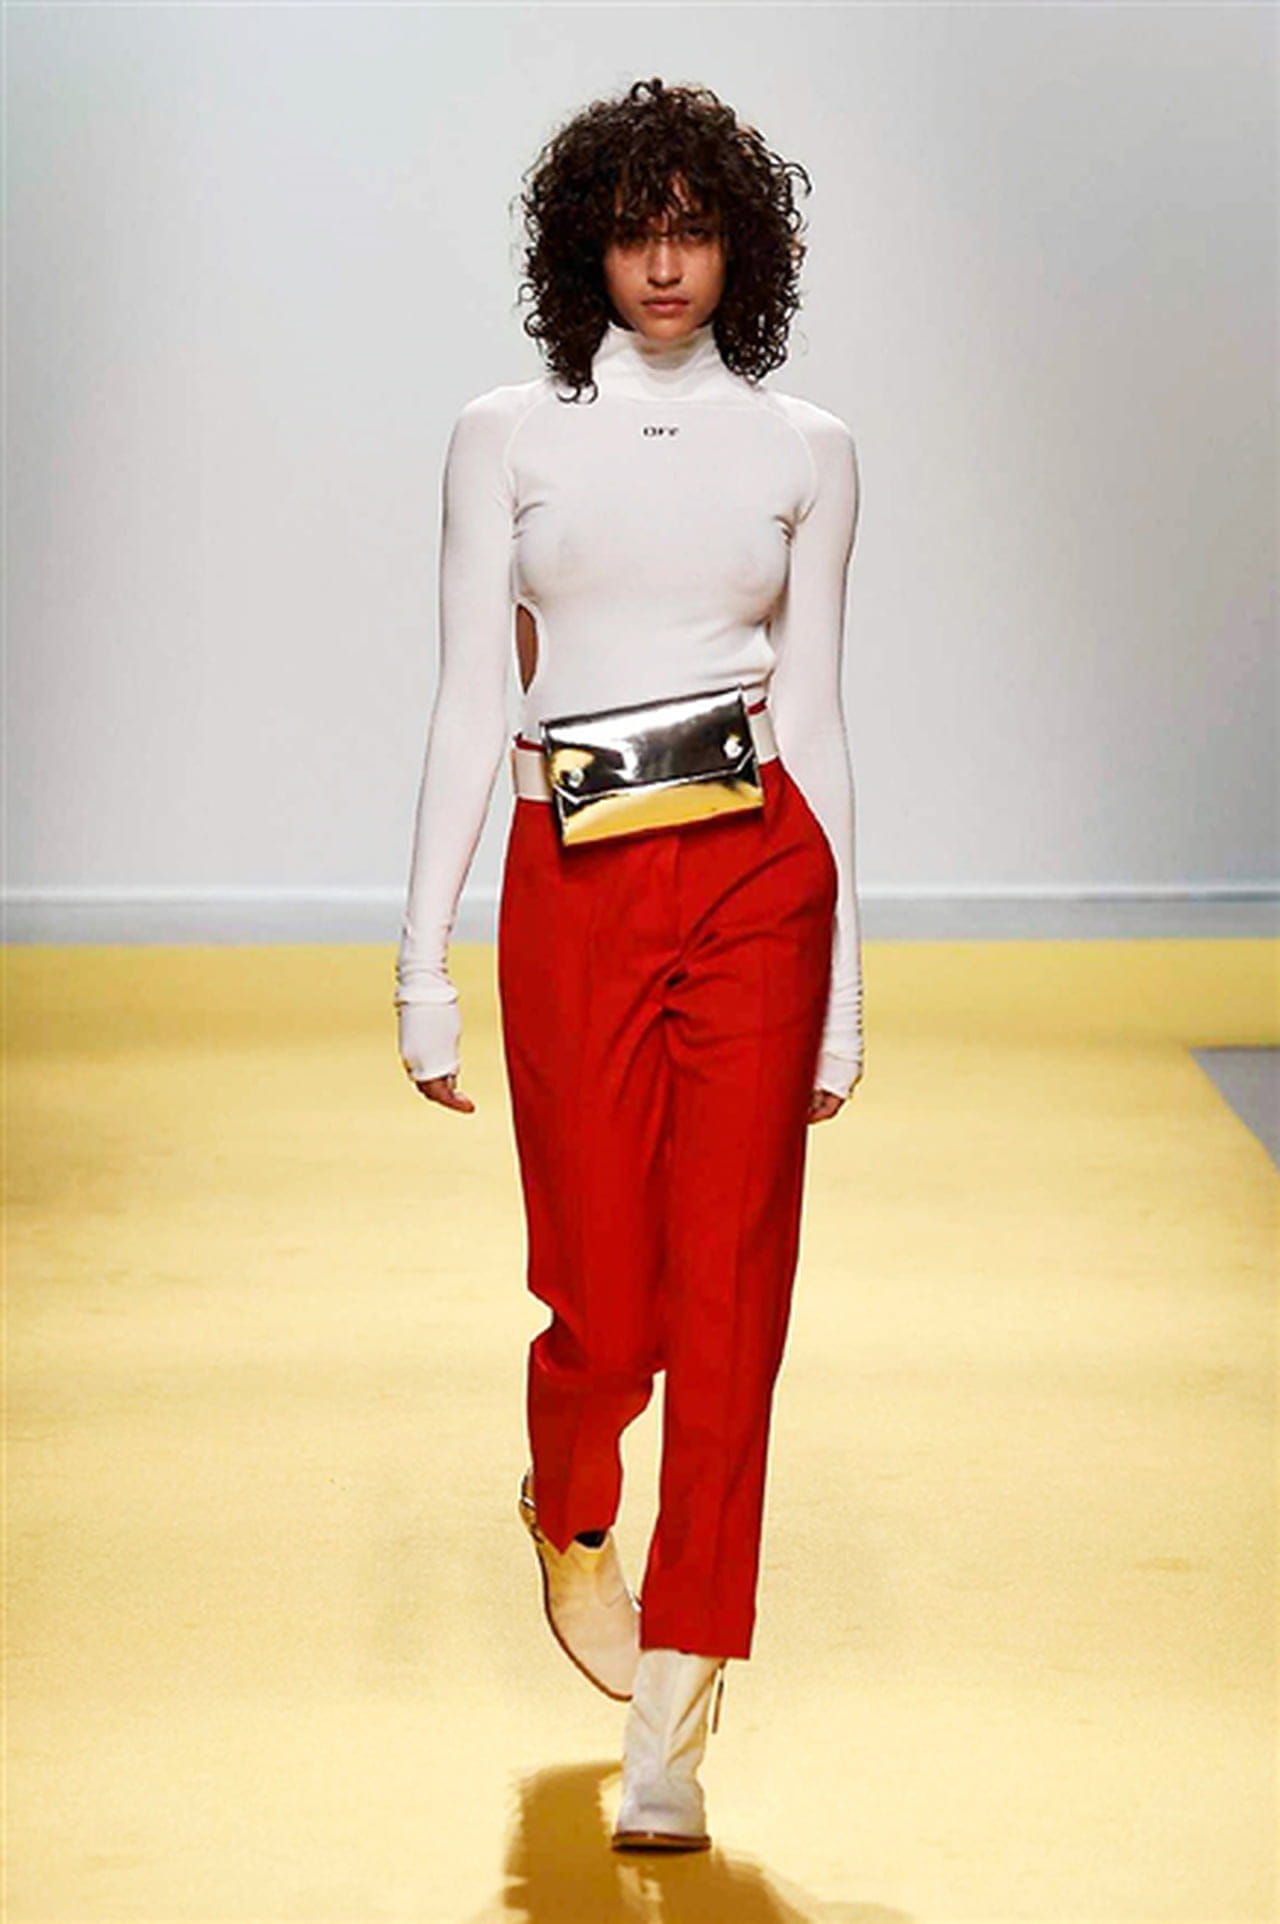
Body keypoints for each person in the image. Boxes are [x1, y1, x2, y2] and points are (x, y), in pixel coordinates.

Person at [394, 75, 864, 1853]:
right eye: (633, 230)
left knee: (733, 1295)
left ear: (742, 250)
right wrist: (421, 957)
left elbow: (818, 710)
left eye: (695, 230)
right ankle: (571, 1500)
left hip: (757, 874)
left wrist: (847, 983)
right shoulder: (504, 434)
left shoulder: (807, 449)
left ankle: (678, 1705)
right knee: (603, 1296)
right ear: (582, 248)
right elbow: (469, 694)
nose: (665, 265)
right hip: (572, 870)